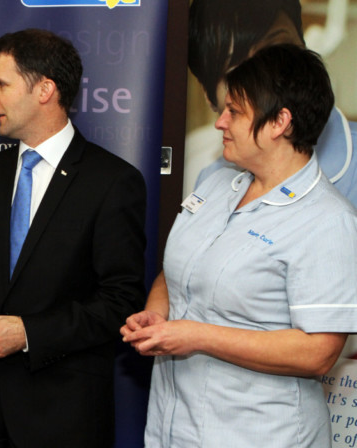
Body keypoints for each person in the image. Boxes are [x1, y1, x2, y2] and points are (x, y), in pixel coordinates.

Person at [122, 44, 357, 447]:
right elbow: (180, 267)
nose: (220, 122)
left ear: (280, 122)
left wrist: (197, 336)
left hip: (261, 434)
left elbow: (318, 351)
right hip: (173, 426)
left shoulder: (328, 220)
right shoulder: (216, 184)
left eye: (235, 111)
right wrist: (156, 313)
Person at [0, 29, 147, 447]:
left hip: (60, 416)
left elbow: (122, 301)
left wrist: (28, 333)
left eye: (1, 84)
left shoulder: (112, 181)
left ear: (45, 89)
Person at [184, 0, 357, 205]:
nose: (267, 80)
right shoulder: (211, 182)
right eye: (239, 73)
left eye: (279, 53)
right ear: (210, 97)